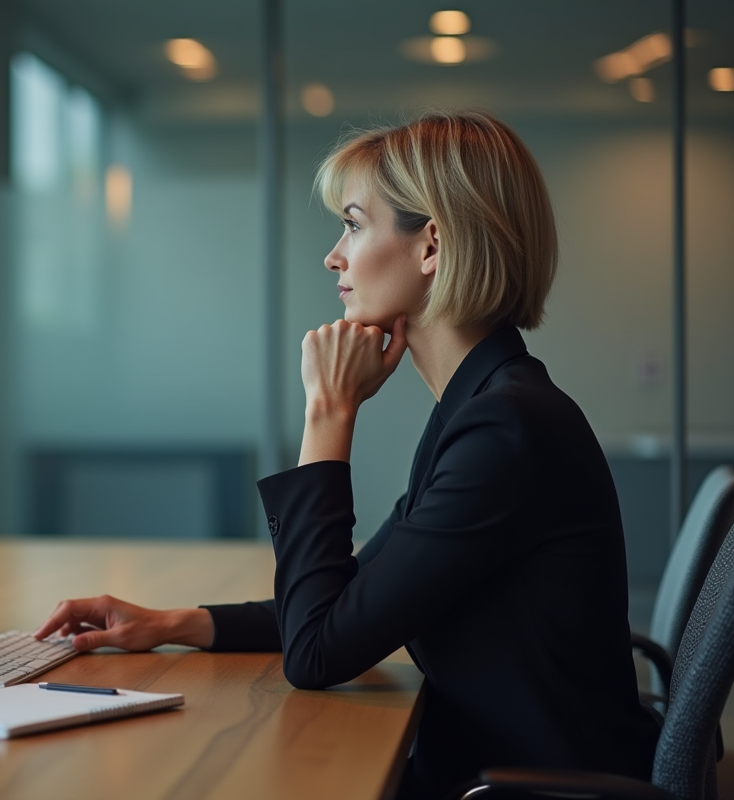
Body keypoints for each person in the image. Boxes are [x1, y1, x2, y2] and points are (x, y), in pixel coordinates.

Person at [34, 111, 660, 798]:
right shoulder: (486, 408)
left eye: (355, 224)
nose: (334, 254)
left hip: (515, 787)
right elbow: (349, 599)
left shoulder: (505, 431)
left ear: (432, 246)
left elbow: (318, 650)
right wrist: (171, 624)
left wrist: (328, 413)